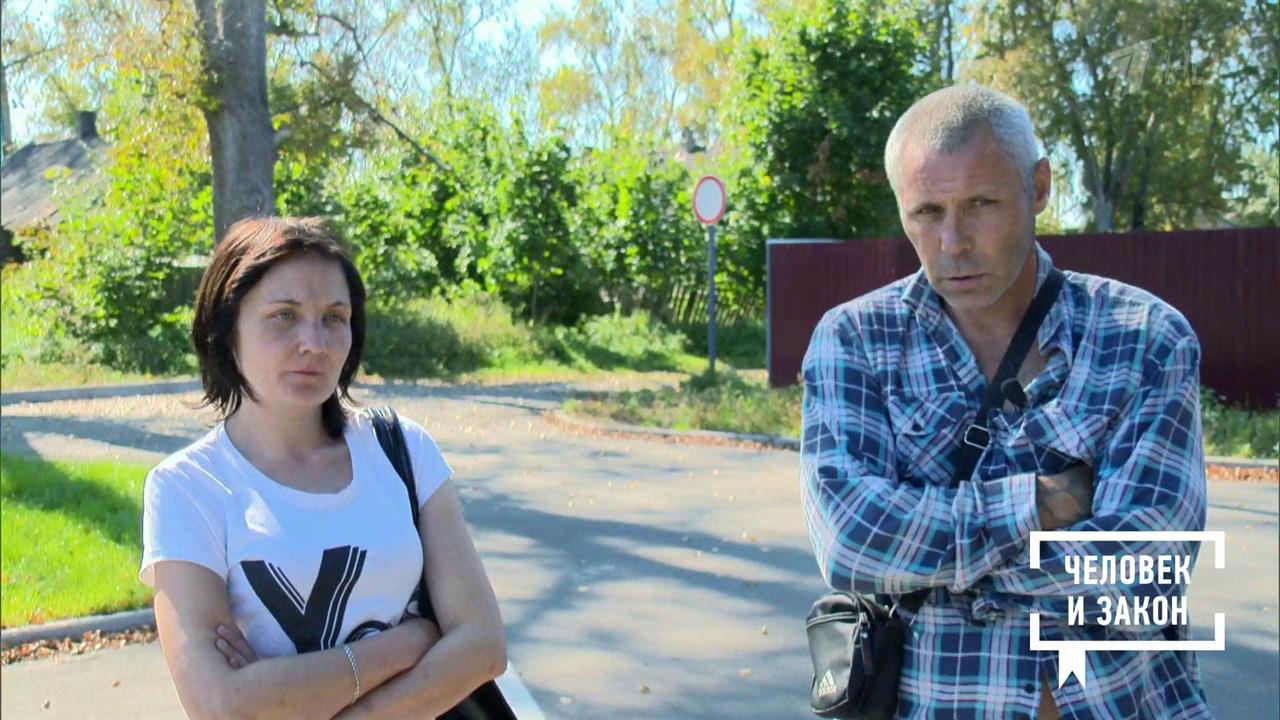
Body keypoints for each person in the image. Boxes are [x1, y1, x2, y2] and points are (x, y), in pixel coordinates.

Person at [799, 84, 1211, 719]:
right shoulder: (856, 340)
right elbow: (849, 540)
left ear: (1038, 187)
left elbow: (1144, 570)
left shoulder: (1144, 338)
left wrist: (932, 567)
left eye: (981, 204)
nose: (953, 242)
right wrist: (1037, 506)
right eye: (926, 212)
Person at [140, 216, 506, 719]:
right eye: (283, 315)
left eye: (335, 317)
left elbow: (484, 647)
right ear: (226, 331)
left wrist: (310, 699)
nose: (315, 342)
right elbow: (223, 705)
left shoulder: (401, 449)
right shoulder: (186, 488)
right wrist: (409, 642)